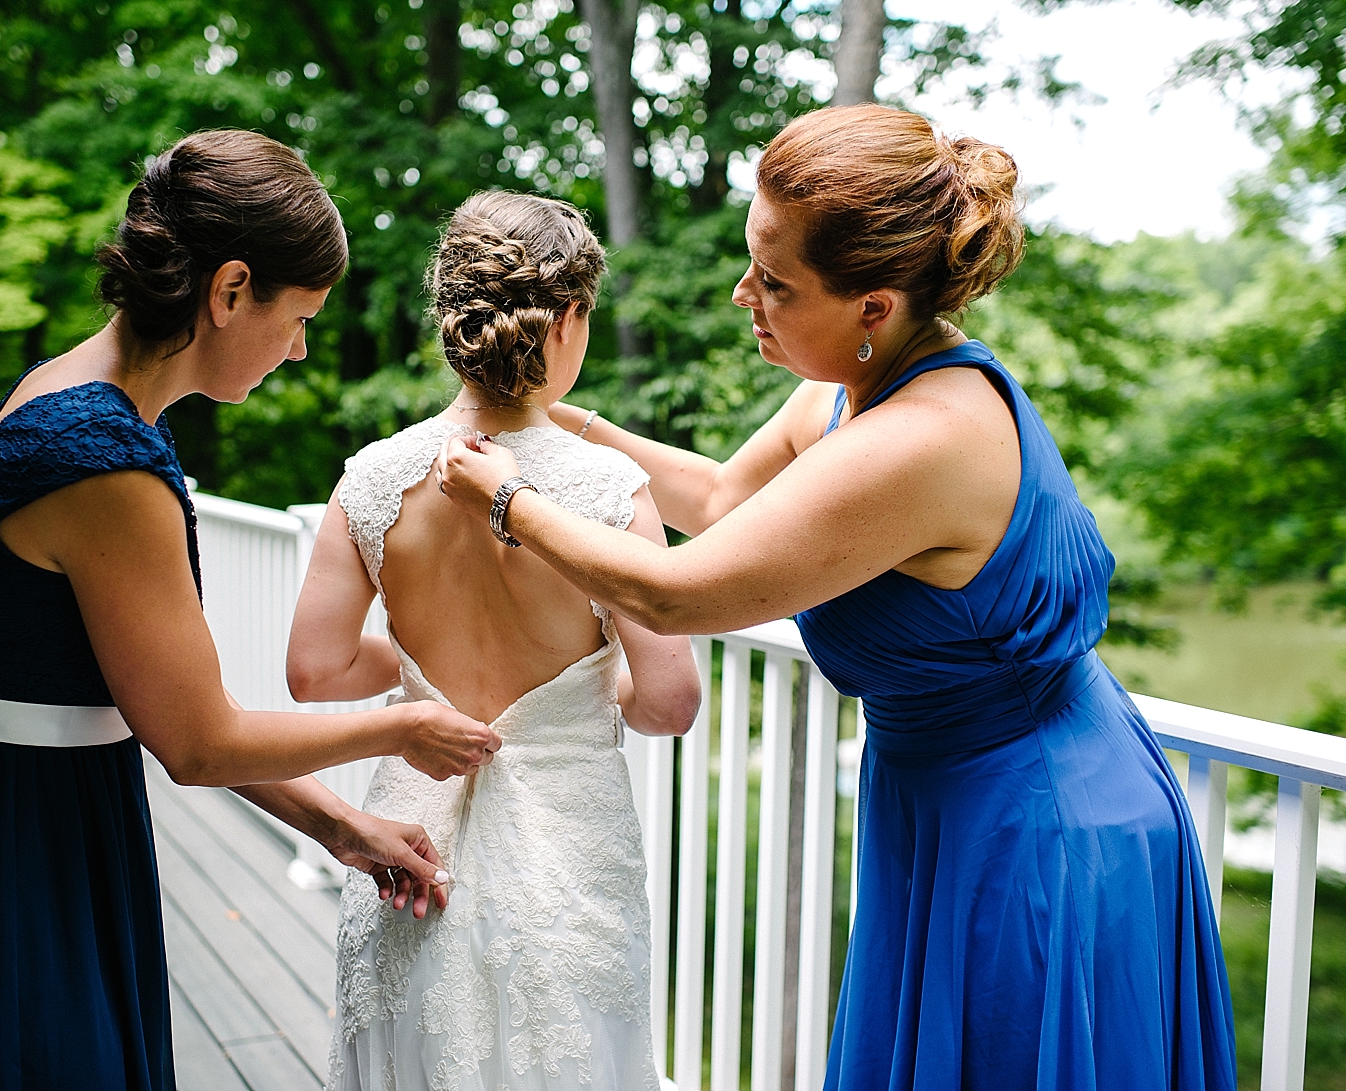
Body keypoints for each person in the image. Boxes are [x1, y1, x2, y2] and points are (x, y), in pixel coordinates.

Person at [438, 105, 1237, 1088]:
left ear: (873, 306)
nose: (742, 296)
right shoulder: (849, 388)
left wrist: (508, 497)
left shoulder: (923, 439)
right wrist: (559, 422)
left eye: (774, 283)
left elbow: (679, 594)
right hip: (940, 794)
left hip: (1036, 823)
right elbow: (722, 497)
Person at [0, 130, 501, 1091]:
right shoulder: (105, 463)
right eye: (297, 316)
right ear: (228, 292)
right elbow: (198, 741)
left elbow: (161, 704)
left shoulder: (78, 395)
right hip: (2, 848)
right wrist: (402, 728)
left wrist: (341, 827)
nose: (299, 349)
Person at [290, 190, 700, 1091]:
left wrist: (420, 670)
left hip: (406, 844)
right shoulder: (607, 487)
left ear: (454, 320)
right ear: (567, 321)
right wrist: (592, 683)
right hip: (566, 865)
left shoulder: (374, 477)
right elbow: (668, 701)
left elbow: (315, 670)